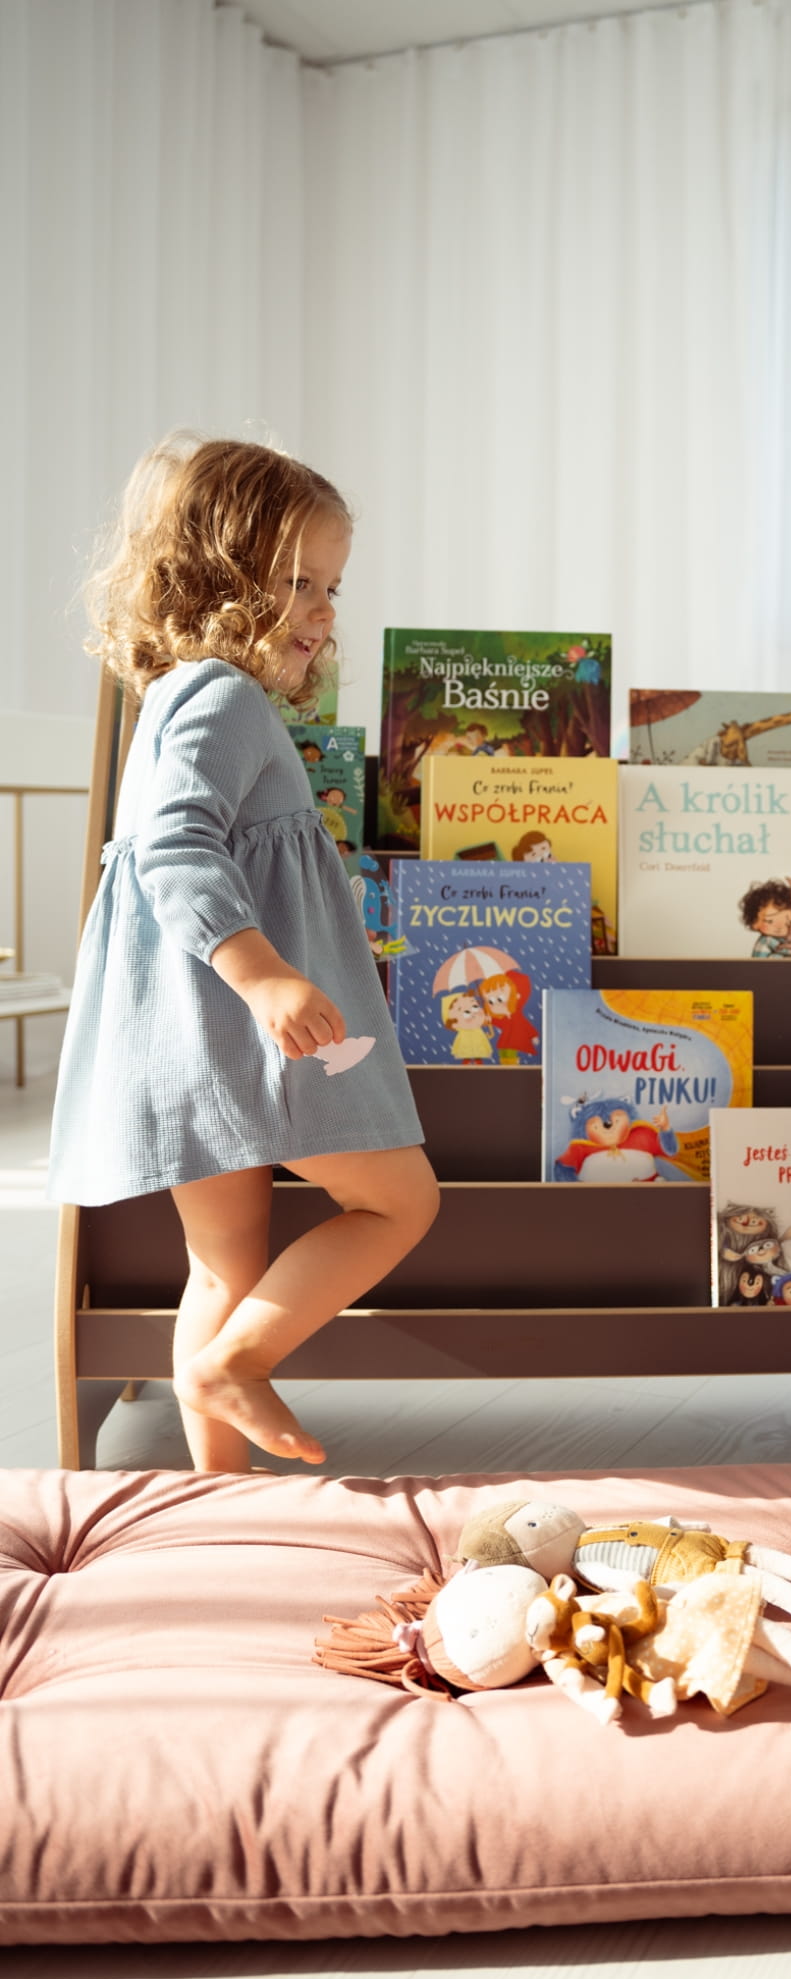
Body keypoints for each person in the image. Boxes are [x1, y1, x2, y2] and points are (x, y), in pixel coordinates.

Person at [49, 435, 440, 1474]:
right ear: (218, 582)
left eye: (331, 587)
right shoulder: (221, 695)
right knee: (401, 1199)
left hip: (192, 1038)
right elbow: (174, 845)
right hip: (237, 1035)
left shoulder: (179, 697)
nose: (322, 611)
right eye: (297, 582)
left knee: (223, 1267)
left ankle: (217, 1498)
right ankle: (238, 1365)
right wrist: (262, 973)